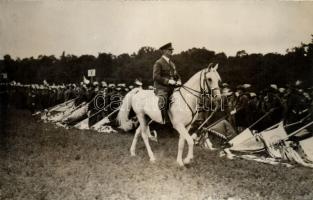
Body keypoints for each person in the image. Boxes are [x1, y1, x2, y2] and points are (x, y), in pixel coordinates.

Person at [153, 42, 182, 123]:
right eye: (169, 50)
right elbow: (155, 77)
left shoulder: (172, 64)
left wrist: (179, 80)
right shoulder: (158, 62)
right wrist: (168, 81)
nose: (171, 51)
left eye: (171, 50)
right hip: (161, 88)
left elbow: (177, 75)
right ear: (164, 51)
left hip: (172, 88)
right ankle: (164, 120)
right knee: (163, 100)